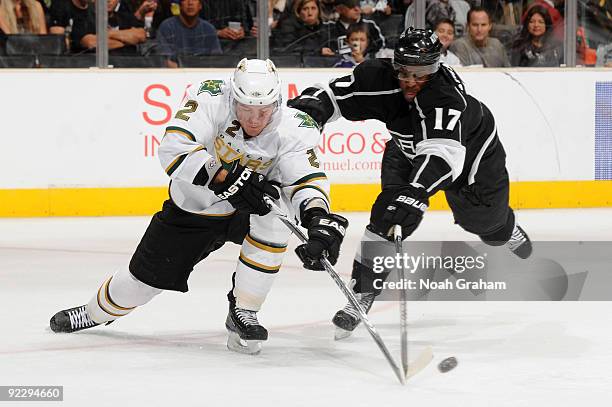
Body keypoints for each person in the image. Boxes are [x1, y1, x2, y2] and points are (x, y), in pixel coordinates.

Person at [49, 58, 349, 355]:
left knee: (276, 216)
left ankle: (245, 310)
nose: (255, 120)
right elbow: (174, 147)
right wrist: (225, 177)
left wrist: (317, 218)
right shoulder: (209, 97)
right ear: (233, 98)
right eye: (246, 109)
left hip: (251, 208)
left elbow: (305, 178)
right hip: (198, 204)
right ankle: (94, 312)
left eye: (263, 111)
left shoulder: (296, 125)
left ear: (278, 102)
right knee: (142, 283)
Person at [287, 28, 532, 337]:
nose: (412, 81)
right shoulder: (379, 78)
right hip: (406, 150)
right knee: (388, 217)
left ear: (437, 67)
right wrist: (305, 114)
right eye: (405, 72)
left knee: (486, 224)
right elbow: (333, 95)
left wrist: (416, 191)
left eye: (423, 73)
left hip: (471, 156)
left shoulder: (445, 95)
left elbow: (442, 154)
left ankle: (505, 229)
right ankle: (363, 292)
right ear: (395, 64)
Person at [156, 0, 221, 68]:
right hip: (175, 75)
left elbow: (217, 60)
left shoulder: (209, 29)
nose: (190, 3)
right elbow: (165, 61)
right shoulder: (167, 27)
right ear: (180, 5)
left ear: (200, 6)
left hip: (204, 75)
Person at [71, 0, 146, 54]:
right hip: (96, 68)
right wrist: (129, 41)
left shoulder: (126, 17)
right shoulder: (82, 19)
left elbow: (141, 36)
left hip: (128, 66)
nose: (108, 1)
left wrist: (107, 34)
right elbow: (91, 43)